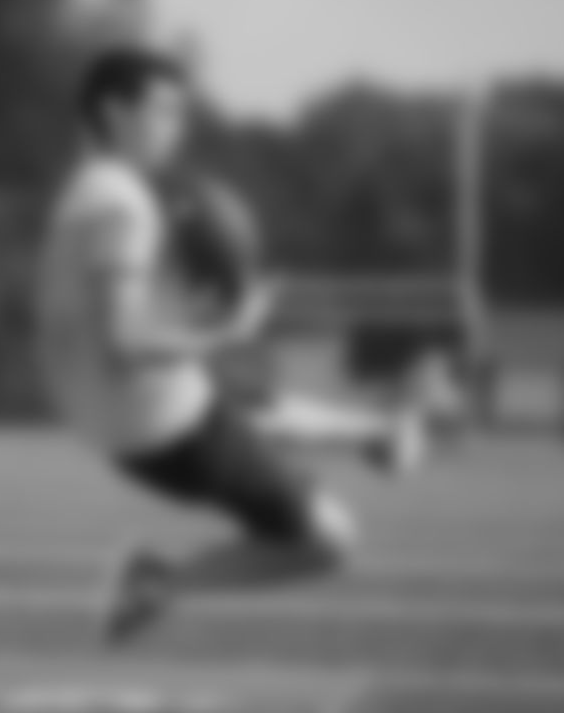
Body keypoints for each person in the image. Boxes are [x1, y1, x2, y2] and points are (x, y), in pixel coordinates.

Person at [35, 47, 431, 646]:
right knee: (328, 542)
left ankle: (376, 432)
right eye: (164, 110)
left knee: (247, 405)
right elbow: (125, 341)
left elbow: (102, 329)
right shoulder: (122, 204)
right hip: (159, 427)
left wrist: (185, 315)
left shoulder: (88, 191)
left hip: (124, 416)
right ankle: (159, 582)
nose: (177, 126)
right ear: (115, 113)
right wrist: (226, 330)